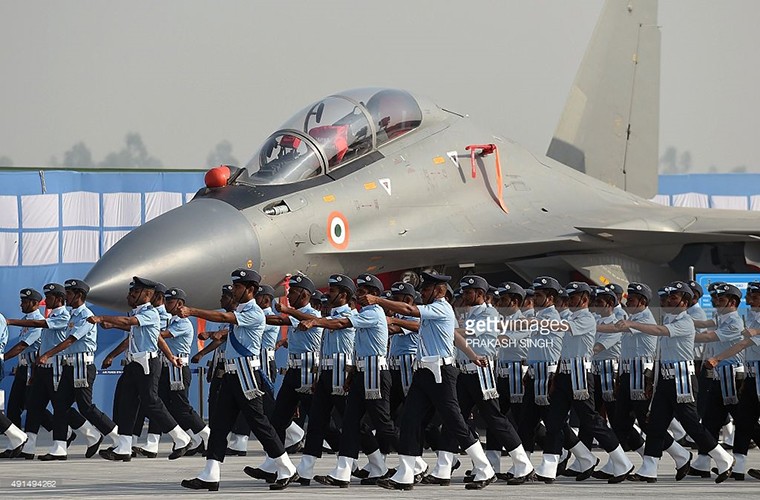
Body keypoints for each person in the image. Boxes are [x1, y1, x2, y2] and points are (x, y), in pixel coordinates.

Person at [363, 272, 496, 490]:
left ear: (439, 291)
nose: (422, 294)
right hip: (423, 371)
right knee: (409, 419)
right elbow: (454, 335)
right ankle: (406, 473)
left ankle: (484, 468)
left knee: (454, 420)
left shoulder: (441, 307)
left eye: (425, 290)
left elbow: (409, 310)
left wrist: (378, 300)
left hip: (440, 371)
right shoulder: (437, 312)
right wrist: (473, 355)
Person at [178, 268, 297, 491]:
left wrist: (193, 310)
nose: (234, 290)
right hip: (232, 375)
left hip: (246, 375)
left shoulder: (254, 312)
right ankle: (210, 473)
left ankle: (286, 467)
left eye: (238, 287)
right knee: (219, 425)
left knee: (259, 423)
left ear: (250, 290)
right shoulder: (242, 310)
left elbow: (224, 317)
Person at [616, 281, 734, 483]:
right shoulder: (669, 319)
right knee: (655, 425)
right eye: (666, 298)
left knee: (691, 425)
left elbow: (661, 332)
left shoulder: (685, 322)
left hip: (682, 380)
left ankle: (723, 457)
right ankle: (649, 468)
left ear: (684, 302)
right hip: (664, 379)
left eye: (673, 297)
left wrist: (632, 323)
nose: (668, 301)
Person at [302, 273, 398, 487]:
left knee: (382, 423)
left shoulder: (373, 313)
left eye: (363, 292)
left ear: (374, 295)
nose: (359, 296)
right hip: (358, 372)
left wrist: (315, 321)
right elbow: (357, 348)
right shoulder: (361, 314)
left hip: (375, 373)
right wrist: (352, 374)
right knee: (350, 423)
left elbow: (342, 324)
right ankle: (342, 472)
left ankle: (414, 459)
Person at [537, 282, 633, 484]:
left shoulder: (587, 318)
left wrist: (537, 324)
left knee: (591, 420)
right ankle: (549, 466)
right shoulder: (571, 316)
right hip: (564, 374)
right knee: (554, 421)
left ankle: (622, 461)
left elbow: (564, 328)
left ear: (584, 299)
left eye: (573, 297)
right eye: (568, 297)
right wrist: (555, 377)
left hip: (580, 375)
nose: (569, 301)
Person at [89, 276, 191, 462]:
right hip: (134, 363)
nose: (130, 295)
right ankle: (124, 447)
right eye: (131, 291)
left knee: (151, 401)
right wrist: (170, 356)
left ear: (147, 294)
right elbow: (157, 338)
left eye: (135, 292)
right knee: (127, 403)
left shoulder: (150, 313)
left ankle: (181, 438)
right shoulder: (139, 313)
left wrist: (103, 317)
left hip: (147, 364)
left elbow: (130, 323)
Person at [37, 279, 120, 460]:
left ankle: (116, 436)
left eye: (69, 293)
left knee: (86, 407)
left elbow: (70, 341)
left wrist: (47, 355)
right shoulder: (72, 315)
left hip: (82, 366)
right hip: (69, 366)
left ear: (79, 295)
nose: (66, 296)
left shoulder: (86, 315)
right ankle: (59, 448)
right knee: (60, 406)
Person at [8, 283, 86, 459]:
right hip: (38, 368)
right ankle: (27, 447)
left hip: (55, 369)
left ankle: (86, 433)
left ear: (58, 299)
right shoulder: (42, 319)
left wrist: (10, 321)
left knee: (62, 407)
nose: (46, 301)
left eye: (49, 297)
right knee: (33, 407)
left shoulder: (62, 317)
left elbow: (24, 345)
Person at [704, 281, 760, 480]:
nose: (750, 300)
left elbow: (743, 344)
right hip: (750, 376)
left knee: (747, 422)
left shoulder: (749, 322)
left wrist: (717, 358)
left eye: (755, 297)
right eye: (749, 297)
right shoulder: (752, 319)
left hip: (744, 374)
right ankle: (737, 468)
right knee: (743, 422)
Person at [1, 289, 55, 449]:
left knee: (32, 406)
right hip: (23, 368)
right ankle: (15, 443)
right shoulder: (26, 320)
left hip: (33, 369)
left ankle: (62, 431)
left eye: (24, 302)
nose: (21, 304)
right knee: (16, 406)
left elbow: (22, 346)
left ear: (35, 303)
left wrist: (2, 358)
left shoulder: (37, 322)